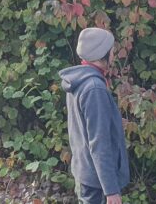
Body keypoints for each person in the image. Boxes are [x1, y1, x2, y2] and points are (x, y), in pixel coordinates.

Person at [59, 28, 130, 204]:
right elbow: (99, 142)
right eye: (111, 50)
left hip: (85, 172)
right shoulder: (94, 88)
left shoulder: (79, 79)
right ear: (103, 54)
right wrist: (111, 190)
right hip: (96, 181)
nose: (114, 54)